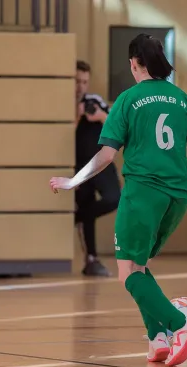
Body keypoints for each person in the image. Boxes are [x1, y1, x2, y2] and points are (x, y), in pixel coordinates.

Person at [50, 33, 187, 366]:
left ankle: (180, 323)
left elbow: (107, 155)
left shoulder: (127, 99)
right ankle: (157, 340)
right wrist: (178, 181)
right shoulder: (182, 99)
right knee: (139, 265)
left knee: (128, 274)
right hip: (178, 196)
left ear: (134, 64)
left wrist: (73, 181)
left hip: (142, 194)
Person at [75, 60, 121, 277]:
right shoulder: (59, 105)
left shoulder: (94, 101)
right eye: (76, 81)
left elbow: (116, 122)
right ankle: (91, 260)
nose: (80, 86)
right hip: (78, 169)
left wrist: (99, 116)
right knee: (87, 208)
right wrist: (77, 114)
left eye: (84, 82)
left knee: (115, 198)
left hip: (101, 164)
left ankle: (77, 217)